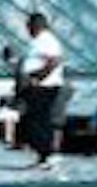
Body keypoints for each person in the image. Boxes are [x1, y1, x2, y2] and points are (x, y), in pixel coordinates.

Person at [15, 11, 68, 167]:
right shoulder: (39, 40)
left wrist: (37, 77)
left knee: (39, 121)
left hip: (44, 86)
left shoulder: (47, 40)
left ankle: (48, 153)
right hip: (38, 85)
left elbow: (54, 61)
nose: (28, 29)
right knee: (35, 121)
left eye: (29, 26)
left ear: (37, 25)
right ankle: (43, 155)